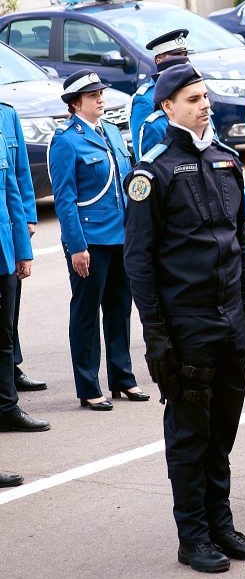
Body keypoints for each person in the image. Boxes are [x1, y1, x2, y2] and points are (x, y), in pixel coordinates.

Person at [122, 63, 245, 572]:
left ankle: (221, 524)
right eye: (192, 99)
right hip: (186, 325)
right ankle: (194, 536)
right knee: (190, 435)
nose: (204, 105)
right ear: (167, 107)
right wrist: (156, 333)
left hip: (229, 318)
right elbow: (139, 260)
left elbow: (239, 242)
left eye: (205, 96)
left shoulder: (227, 161)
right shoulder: (152, 173)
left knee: (223, 429)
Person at [49, 69, 144, 411]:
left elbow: (125, 181)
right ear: (76, 103)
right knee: (87, 312)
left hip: (120, 235)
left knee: (119, 308)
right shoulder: (66, 140)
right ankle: (88, 386)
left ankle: (123, 378)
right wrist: (77, 246)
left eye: (100, 93)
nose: (101, 99)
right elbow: (65, 198)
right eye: (93, 95)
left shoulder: (112, 132)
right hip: (90, 239)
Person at [0, 100, 42, 436]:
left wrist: (21, 252)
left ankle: (7, 406)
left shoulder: (5, 118)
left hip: (3, 249)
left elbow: (13, 185)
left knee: (4, 335)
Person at [129, 29, 190, 155]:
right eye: (176, 55)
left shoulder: (192, 89)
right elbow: (145, 153)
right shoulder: (146, 98)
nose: (183, 60)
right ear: (159, 61)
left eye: (185, 55)